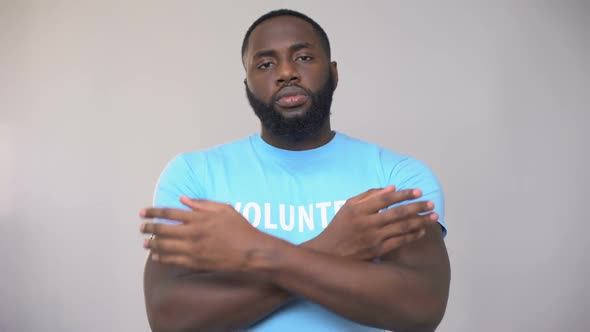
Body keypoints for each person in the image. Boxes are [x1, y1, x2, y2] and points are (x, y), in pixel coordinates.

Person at [139, 9, 450, 332]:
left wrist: (254, 251)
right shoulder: (194, 176)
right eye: (266, 64)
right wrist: (334, 246)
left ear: (334, 73)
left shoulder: (397, 178)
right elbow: (170, 318)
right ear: (248, 84)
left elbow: (421, 307)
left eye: (303, 57)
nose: (286, 72)